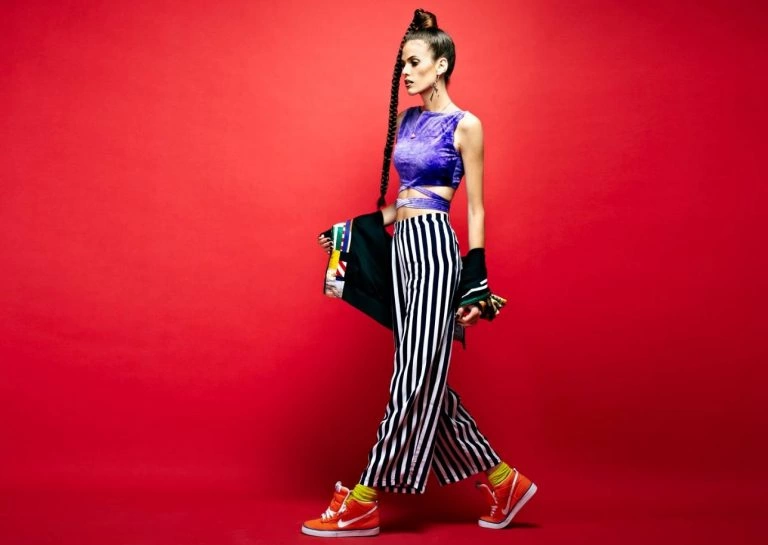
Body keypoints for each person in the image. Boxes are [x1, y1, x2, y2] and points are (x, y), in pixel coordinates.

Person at [303, 9, 536, 538]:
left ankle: (364, 497)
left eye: (414, 62)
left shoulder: (466, 125)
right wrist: (352, 232)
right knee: (424, 374)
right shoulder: (408, 121)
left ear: (441, 64)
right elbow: (402, 200)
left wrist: (475, 282)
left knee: (413, 375)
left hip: (433, 247)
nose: (404, 73)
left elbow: (474, 207)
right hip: (401, 250)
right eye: (403, 64)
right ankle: (504, 482)